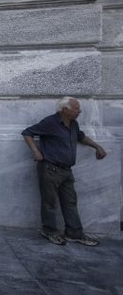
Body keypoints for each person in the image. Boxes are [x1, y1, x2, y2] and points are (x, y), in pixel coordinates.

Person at [21, 96, 107, 247]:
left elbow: (80, 136)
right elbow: (27, 133)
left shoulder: (73, 124)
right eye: (76, 108)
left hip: (67, 170)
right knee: (49, 203)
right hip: (50, 168)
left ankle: (74, 233)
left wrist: (97, 146)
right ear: (65, 109)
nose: (79, 111)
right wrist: (36, 151)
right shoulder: (50, 122)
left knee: (70, 202)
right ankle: (49, 231)